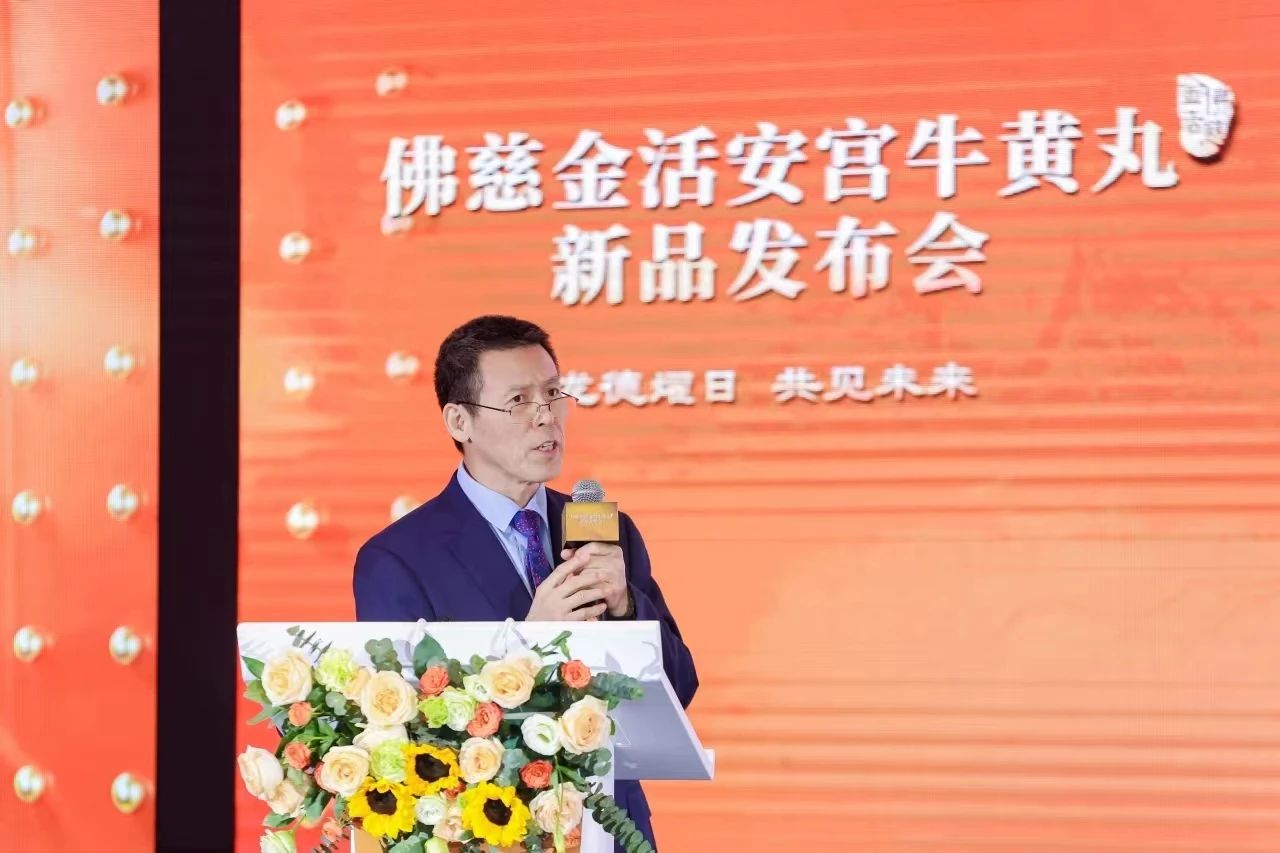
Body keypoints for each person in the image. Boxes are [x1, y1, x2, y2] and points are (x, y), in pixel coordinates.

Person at [354, 314, 698, 851]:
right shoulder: (398, 558)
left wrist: (625, 606)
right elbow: (408, 738)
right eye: (518, 400)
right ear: (459, 421)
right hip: (488, 831)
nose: (546, 416)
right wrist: (529, 644)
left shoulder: (605, 532)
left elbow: (679, 690)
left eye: (554, 394)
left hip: (613, 829)